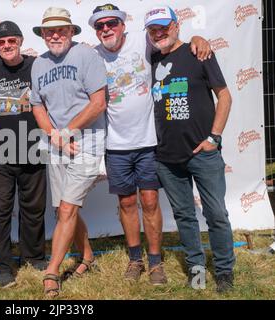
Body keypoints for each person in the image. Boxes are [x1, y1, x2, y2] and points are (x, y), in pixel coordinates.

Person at [88, 3, 212, 285]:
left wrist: (198, 38)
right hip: (116, 145)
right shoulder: (91, 55)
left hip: (148, 142)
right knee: (127, 203)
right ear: (95, 31)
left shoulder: (142, 40)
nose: (106, 29)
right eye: (99, 25)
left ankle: (155, 263)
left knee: (150, 201)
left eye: (111, 23)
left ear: (122, 24)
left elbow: (171, 40)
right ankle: (135, 259)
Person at [146, 6, 235, 293]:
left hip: (203, 153)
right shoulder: (151, 59)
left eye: (163, 27)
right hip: (167, 157)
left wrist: (215, 138)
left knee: (216, 214)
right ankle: (196, 268)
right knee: (184, 215)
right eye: (153, 29)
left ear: (176, 25)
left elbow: (224, 97)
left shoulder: (200, 52)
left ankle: (224, 271)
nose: (158, 33)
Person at [30, 7, 108, 297]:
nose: (54, 35)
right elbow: (37, 106)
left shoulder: (87, 56)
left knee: (67, 208)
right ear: (42, 34)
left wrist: (67, 132)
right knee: (62, 207)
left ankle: (51, 272)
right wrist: (54, 136)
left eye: (60, 29)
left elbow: (98, 103)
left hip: (85, 142)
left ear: (71, 31)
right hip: (57, 144)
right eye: (49, 30)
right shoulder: (38, 64)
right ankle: (87, 257)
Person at [0, 21, 47, 288]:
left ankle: (33, 257)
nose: (7, 46)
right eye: (1, 42)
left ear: (20, 41)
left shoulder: (37, 65)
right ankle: (4, 265)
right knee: (0, 212)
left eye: (11, 40)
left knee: (33, 209)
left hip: (32, 147)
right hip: (0, 153)